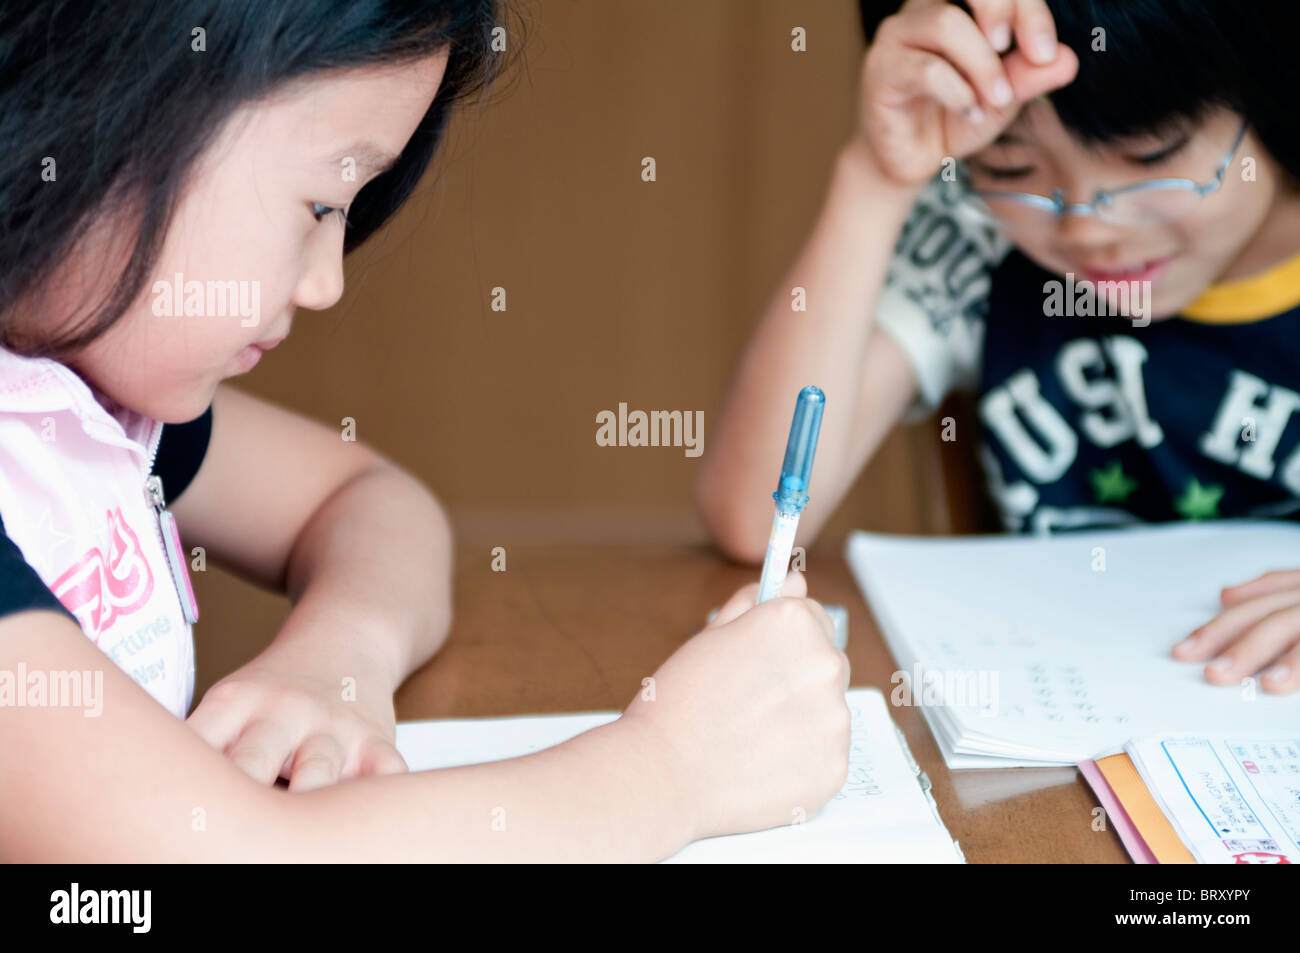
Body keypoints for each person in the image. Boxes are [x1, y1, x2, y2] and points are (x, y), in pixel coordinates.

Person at [0, 1, 848, 862]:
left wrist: (339, 653)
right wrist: (673, 770)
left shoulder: (81, 401)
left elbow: (365, 499)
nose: (327, 281)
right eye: (325, 202)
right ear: (113, 99)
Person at [698, 0, 1300, 694]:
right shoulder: (976, 238)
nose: (1087, 224)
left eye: (1150, 154)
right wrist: (876, 178)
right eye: (1010, 167)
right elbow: (754, 517)